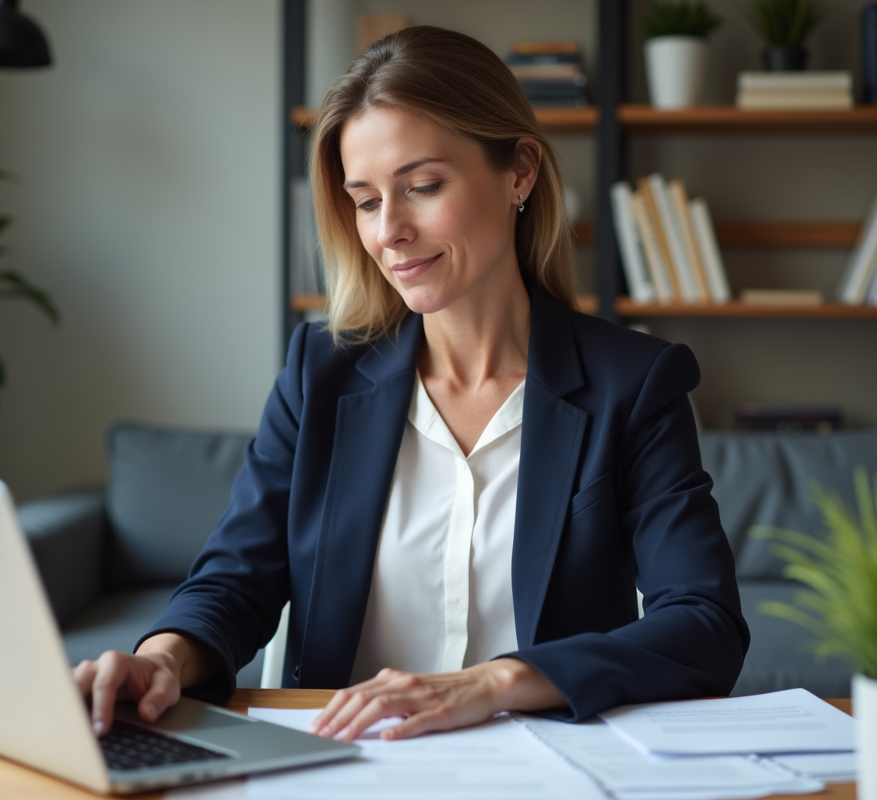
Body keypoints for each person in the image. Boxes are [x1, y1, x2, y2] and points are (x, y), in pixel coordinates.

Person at [74, 25, 749, 744]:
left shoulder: (633, 384)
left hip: (543, 767)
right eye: (365, 201)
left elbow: (704, 624)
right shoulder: (319, 375)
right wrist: (163, 659)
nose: (389, 229)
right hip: (337, 765)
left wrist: (495, 681)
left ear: (519, 172)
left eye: (423, 186)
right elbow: (237, 577)